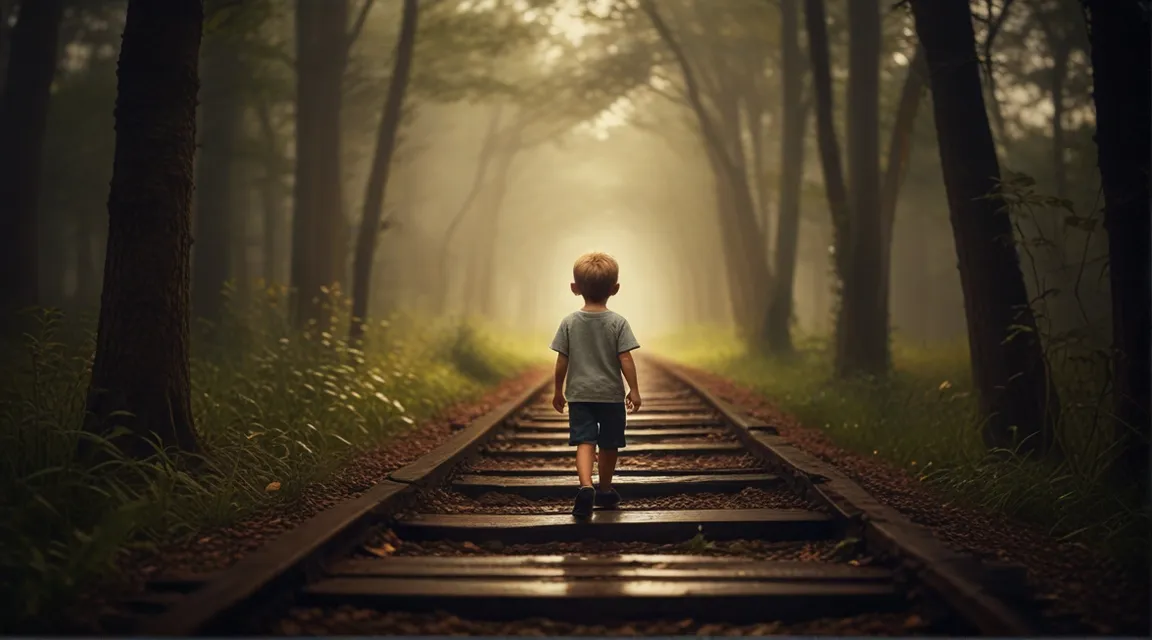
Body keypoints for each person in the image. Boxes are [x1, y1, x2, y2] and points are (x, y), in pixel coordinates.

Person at [549, 252, 641, 519]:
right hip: (611, 397)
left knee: (584, 441)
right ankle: (605, 488)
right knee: (609, 443)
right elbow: (626, 358)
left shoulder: (568, 322)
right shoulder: (618, 323)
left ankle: (586, 485)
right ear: (615, 289)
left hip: (579, 395)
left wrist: (558, 390)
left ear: (574, 288)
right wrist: (633, 389)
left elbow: (561, 361)